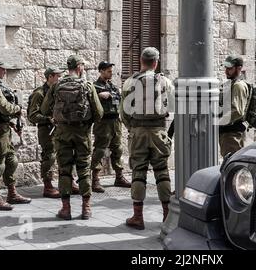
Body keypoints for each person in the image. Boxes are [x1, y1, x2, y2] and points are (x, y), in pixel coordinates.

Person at [41, 56, 104, 220]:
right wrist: (87, 122)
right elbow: (99, 112)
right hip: (82, 134)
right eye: (83, 65)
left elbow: (44, 108)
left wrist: (58, 117)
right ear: (79, 67)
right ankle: (86, 208)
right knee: (84, 169)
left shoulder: (56, 85)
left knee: (64, 170)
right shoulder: (87, 85)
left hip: (62, 133)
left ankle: (66, 209)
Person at [120, 47, 173, 230]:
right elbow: (173, 105)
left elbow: (123, 113)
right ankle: (166, 215)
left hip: (138, 133)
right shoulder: (165, 81)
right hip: (159, 132)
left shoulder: (130, 82)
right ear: (156, 62)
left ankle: (138, 216)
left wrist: (133, 128)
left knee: (138, 172)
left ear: (141, 61)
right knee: (162, 171)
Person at [0, 59, 32, 210]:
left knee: (12, 161)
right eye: (2, 69)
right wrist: (17, 108)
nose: (5, 71)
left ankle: (12, 193)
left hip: (4, 128)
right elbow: (4, 107)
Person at [91, 61, 131, 192]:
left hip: (115, 121)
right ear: (101, 71)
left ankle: (119, 176)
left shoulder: (112, 86)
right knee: (100, 150)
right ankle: (95, 179)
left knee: (118, 149)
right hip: (103, 123)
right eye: (108, 71)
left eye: (111, 70)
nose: (111, 73)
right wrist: (98, 95)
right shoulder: (95, 87)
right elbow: (89, 101)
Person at [27, 67, 66, 199]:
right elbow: (32, 115)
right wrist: (47, 119)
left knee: (64, 155)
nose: (59, 79)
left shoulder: (59, 91)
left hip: (60, 128)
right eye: (57, 76)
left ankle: (66, 182)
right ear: (50, 77)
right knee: (49, 157)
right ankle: (48, 186)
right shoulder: (39, 93)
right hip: (46, 129)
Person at [218, 55, 249, 157]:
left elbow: (237, 111)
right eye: (226, 68)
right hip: (228, 133)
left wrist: (219, 122)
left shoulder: (238, 86)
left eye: (230, 68)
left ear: (239, 68)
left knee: (232, 165)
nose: (227, 71)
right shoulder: (231, 84)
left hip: (233, 135)